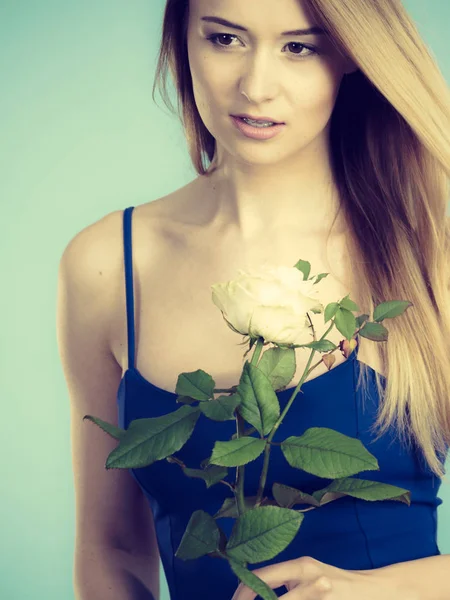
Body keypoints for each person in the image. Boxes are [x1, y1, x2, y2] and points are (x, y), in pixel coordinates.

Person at [56, 0, 450, 598]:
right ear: (181, 38)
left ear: (350, 55)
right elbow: (110, 546)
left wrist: (374, 590)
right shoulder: (108, 263)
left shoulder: (430, 251)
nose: (256, 87)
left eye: (300, 47)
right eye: (225, 39)